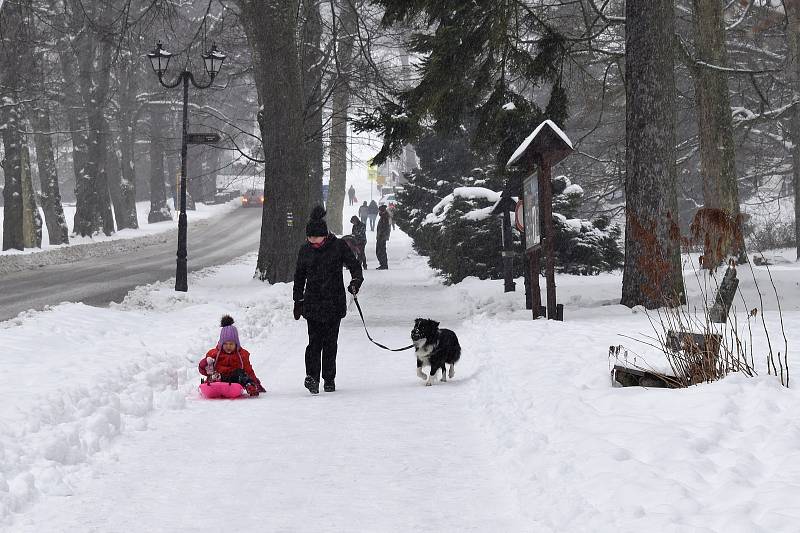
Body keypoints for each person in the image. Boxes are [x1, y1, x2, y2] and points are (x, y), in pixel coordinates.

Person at [293, 206, 363, 394]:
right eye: (309, 238)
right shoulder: (305, 250)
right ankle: (312, 377)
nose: (312, 241)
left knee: (330, 343)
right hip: (313, 303)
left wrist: (356, 281)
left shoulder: (339, 246)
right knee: (314, 343)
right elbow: (299, 276)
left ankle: (329, 379)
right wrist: (297, 300)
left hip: (333, 302)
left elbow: (355, 266)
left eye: (315, 238)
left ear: (324, 235)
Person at [198, 315, 266, 396]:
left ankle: (250, 387)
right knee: (214, 375)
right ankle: (210, 385)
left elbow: (248, 371)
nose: (228, 346)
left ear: (236, 344)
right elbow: (205, 370)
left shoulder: (242, 354)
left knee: (240, 372)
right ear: (221, 343)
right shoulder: (214, 353)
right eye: (225, 344)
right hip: (219, 379)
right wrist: (204, 363)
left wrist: (255, 383)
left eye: (231, 344)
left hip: (234, 380)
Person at [376, 204, 391, 270]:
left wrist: (382, 236)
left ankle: (384, 265)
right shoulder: (383, 217)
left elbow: (385, 228)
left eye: (379, 211)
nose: (379, 212)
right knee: (380, 251)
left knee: (381, 251)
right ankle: (383, 264)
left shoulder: (385, 217)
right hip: (381, 236)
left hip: (382, 237)